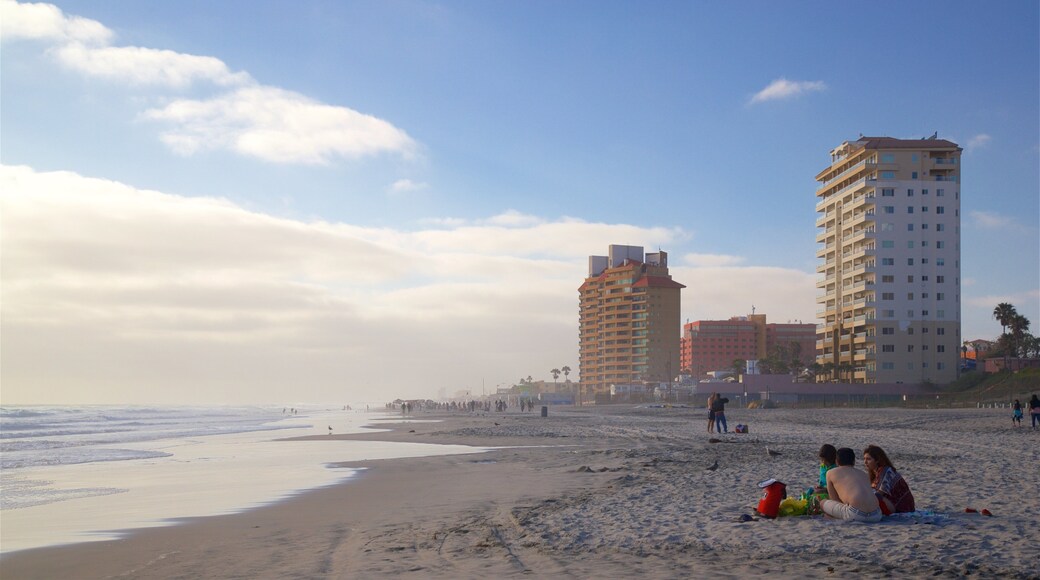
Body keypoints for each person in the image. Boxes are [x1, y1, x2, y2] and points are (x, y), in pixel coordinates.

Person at [821, 447, 882, 522]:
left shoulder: (830, 473)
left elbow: (834, 500)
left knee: (822, 503)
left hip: (855, 514)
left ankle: (833, 518)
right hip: (876, 515)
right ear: (853, 461)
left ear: (837, 461)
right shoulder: (864, 474)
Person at [862, 445, 915, 515]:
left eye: (868, 459)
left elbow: (879, 494)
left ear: (877, 460)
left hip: (901, 508)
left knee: (870, 495)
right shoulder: (875, 472)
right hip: (891, 503)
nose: (865, 462)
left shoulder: (886, 471)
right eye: (864, 459)